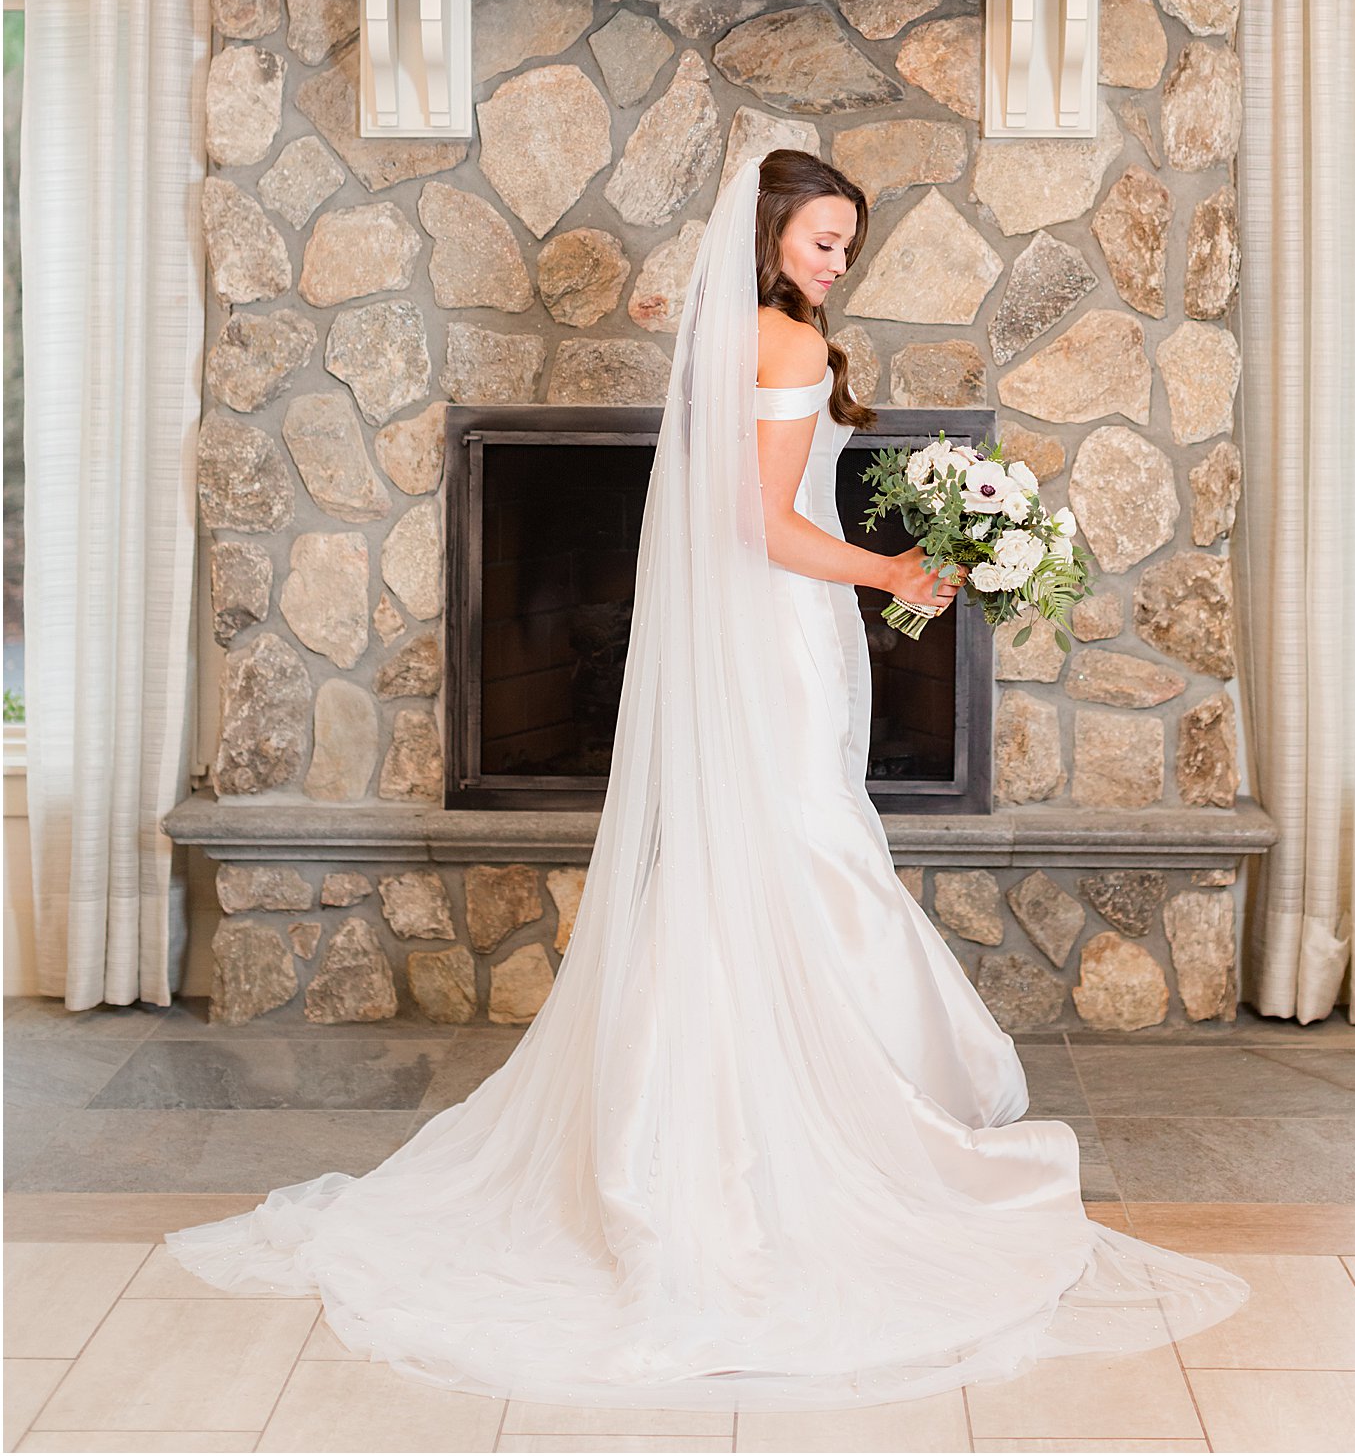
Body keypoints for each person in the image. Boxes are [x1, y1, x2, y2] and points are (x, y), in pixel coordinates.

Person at [166, 149, 1246, 1410]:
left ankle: (715, 1116)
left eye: (848, 243)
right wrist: (892, 574)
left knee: (769, 857)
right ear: (770, 236)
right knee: (806, 852)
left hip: (772, 628)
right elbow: (763, 525)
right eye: (820, 242)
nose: (837, 263)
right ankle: (789, 1134)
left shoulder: (746, 334)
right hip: (780, 626)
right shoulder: (778, 347)